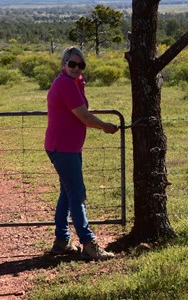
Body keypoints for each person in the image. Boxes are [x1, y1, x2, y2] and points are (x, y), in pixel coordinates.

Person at [44, 46, 119, 260]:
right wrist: (105, 126)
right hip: (64, 148)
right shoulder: (65, 84)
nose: (76, 68)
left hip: (66, 147)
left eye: (80, 65)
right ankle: (88, 244)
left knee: (67, 194)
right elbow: (84, 117)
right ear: (63, 64)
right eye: (72, 64)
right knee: (77, 195)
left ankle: (61, 241)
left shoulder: (74, 83)